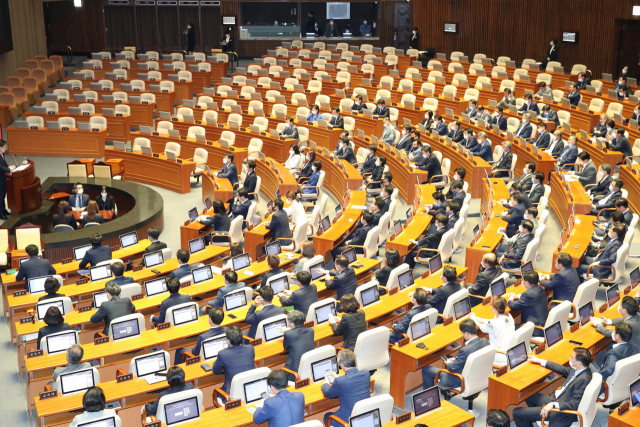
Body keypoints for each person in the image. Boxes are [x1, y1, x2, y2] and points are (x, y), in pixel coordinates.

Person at [514, 348, 592, 427]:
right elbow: (562, 369)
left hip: (560, 412)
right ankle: (537, 415)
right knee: (528, 395)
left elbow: (574, 405)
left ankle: (541, 415)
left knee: (517, 413)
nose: (570, 358)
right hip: (557, 399)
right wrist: (540, 361)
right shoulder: (580, 370)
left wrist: (553, 405)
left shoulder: (583, 379)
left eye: (572, 357)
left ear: (579, 363)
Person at [422, 319, 489, 399]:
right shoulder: (484, 341)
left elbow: (452, 368)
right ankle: (445, 391)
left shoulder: (465, 350)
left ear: (467, 333)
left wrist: (448, 363)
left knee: (426, 369)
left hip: (460, 378)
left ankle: (429, 399)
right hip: (477, 373)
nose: (462, 334)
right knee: (450, 357)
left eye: (462, 333)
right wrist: (455, 360)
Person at [321, 349, 371, 427]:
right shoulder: (366, 373)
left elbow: (327, 393)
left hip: (347, 421)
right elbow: (353, 382)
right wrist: (340, 378)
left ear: (341, 364)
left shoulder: (340, 381)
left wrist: (326, 382)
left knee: (327, 416)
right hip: (365, 416)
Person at [592, 322, 639, 394]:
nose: (612, 333)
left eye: (613, 331)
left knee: (584, 363)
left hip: (607, 385)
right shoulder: (635, 348)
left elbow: (608, 371)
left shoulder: (614, 353)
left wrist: (596, 375)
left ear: (617, 336)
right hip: (626, 382)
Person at [213, 326, 256, 401]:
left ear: (228, 341)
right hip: (250, 389)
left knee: (215, 394)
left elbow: (216, 371)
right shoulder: (250, 348)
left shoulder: (223, 354)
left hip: (231, 394)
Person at [470, 296, 515, 365]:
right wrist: (477, 318)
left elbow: (481, 326)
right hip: (511, 350)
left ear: (495, 309)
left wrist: (473, 318)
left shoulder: (494, 324)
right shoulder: (508, 315)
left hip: (500, 354)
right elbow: (490, 322)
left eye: (491, 304)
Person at [507, 271, 549, 336]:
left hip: (535, 329)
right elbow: (532, 296)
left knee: (507, 328)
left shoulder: (528, 294)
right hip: (543, 324)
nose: (522, 281)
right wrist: (517, 296)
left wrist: (510, 298)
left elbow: (513, 306)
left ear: (526, 283)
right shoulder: (540, 288)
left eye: (522, 279)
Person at [282, 310, 315, 381]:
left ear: (292, 324)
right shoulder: (311, 331)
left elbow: (286, 348)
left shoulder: (288, 334)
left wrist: (288, 331)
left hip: (294, 373)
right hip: (310, 368)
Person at [0, 139, 16, 218]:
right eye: (4, 147)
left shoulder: (1, 155)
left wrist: (10, 167)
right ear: (0, 147)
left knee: (2, 196)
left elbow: (4, 165)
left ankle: (4, 211)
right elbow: (0, 168)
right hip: (0, 179)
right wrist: (9, 169)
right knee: (0, 196)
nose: (5, 149)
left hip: (3, 178)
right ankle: (0, 214)